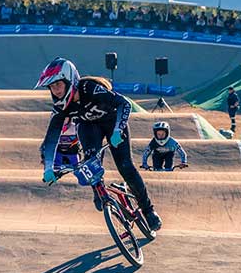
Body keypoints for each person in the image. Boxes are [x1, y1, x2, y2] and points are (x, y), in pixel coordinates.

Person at [36, 57, 162, 231]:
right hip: (89, 128)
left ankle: (148, 211)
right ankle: (99, 190)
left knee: (126, 167)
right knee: (90, 162)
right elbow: (50, 139)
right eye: (51, 87)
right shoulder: (60, 108)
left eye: (58, 84)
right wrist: (49, 167)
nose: (55, 90)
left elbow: (124, 104)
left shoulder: (91, 88)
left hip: (113, 124)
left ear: (69, 80)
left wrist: (119, 129)